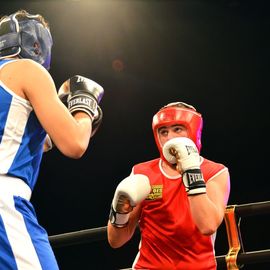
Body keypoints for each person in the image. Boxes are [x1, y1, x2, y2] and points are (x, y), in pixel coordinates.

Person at [0, 10, 104, 269]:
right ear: (37, 43)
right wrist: (84, 105)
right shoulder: (28, 70)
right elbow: (75, 143)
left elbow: (27, 140)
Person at [107, 102, 230, 270]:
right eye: (163, 132)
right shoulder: (142, 173)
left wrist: (191, 171)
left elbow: (207, 225)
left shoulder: (214, 172)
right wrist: (119, 210)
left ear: (194, 131)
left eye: (178, 129)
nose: (170, 138)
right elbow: (115, 241)